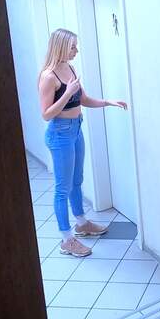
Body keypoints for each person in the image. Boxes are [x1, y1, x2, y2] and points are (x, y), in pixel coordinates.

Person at [39, 28, 128, 257]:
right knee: (63, 188)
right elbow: (46, 114)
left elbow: (84, 99)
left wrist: (108, 102)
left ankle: (82, 223)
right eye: (73, 47)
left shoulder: (70, 68)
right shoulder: (48, 76)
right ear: (61, 47)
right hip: (60, 134)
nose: (76, 51)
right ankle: (66, 240)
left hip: (76, 129)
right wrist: (67, 93)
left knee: (76, 181)